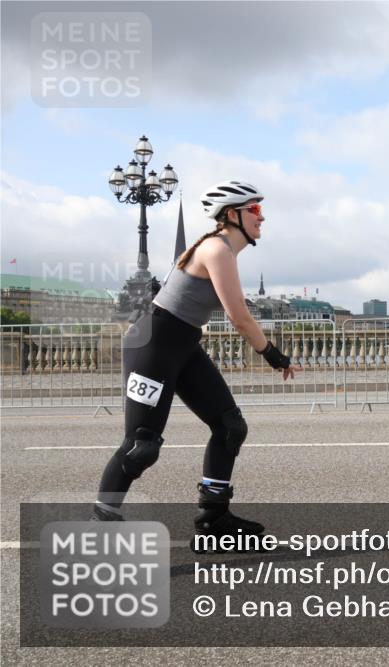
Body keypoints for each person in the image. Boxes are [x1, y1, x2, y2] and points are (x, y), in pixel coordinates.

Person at [91, 180, 302, 542]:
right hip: (153, 345)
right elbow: (239, 317)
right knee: (142, 446)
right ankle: (100, 527)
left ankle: (214, 521)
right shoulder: (216, 250)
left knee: (230, 426)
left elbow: (236, 311)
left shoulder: (222, 252)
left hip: (184, 344)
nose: (261, 217)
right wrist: (274, 355)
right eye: (254, 210)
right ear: (231, 215)